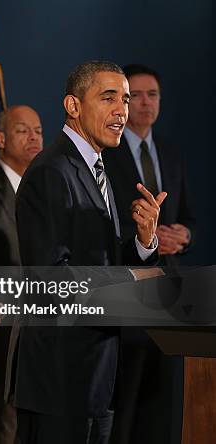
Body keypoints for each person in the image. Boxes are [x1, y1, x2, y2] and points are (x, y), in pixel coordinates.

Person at [14, 60, 165, 444]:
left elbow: (103, 262)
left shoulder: (98, 168)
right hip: (60, 378)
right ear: (73, 106)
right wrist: (132, 278)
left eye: (126, 99)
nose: (122, 110)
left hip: (96, 375)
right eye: (109, 97)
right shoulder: (52, 171)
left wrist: (144, 242)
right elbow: (50, 279)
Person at [103, 64, 195, 444]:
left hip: (171, 291)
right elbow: (105, 219)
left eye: (151, 95)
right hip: (128, 286)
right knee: (126, 397)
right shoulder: (108, 152)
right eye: (134, 95)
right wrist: (151, 236)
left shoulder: (170, 153)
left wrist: (184, 234)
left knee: (163, 397)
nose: (144, 103)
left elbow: (187, 215)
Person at [0, 105, 43, 444]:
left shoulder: (48, 189)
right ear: (0, 138)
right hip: (0, 335)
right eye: (23, 130)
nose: (34, 138)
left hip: (43, 329)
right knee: (1, 426)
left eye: (39, 131)